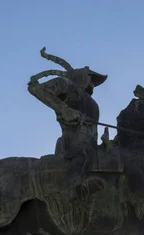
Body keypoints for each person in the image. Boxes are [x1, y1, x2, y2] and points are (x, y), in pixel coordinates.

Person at [28, 47, 108, 187]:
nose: (93, 85)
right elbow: (37, 89)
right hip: (73, 147)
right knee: (81, 162)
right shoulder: (69, 87)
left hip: (92, 148)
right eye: (91, 79)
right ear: (82, 77)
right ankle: (73, 188)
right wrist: (65, 110)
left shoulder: (93, 103)